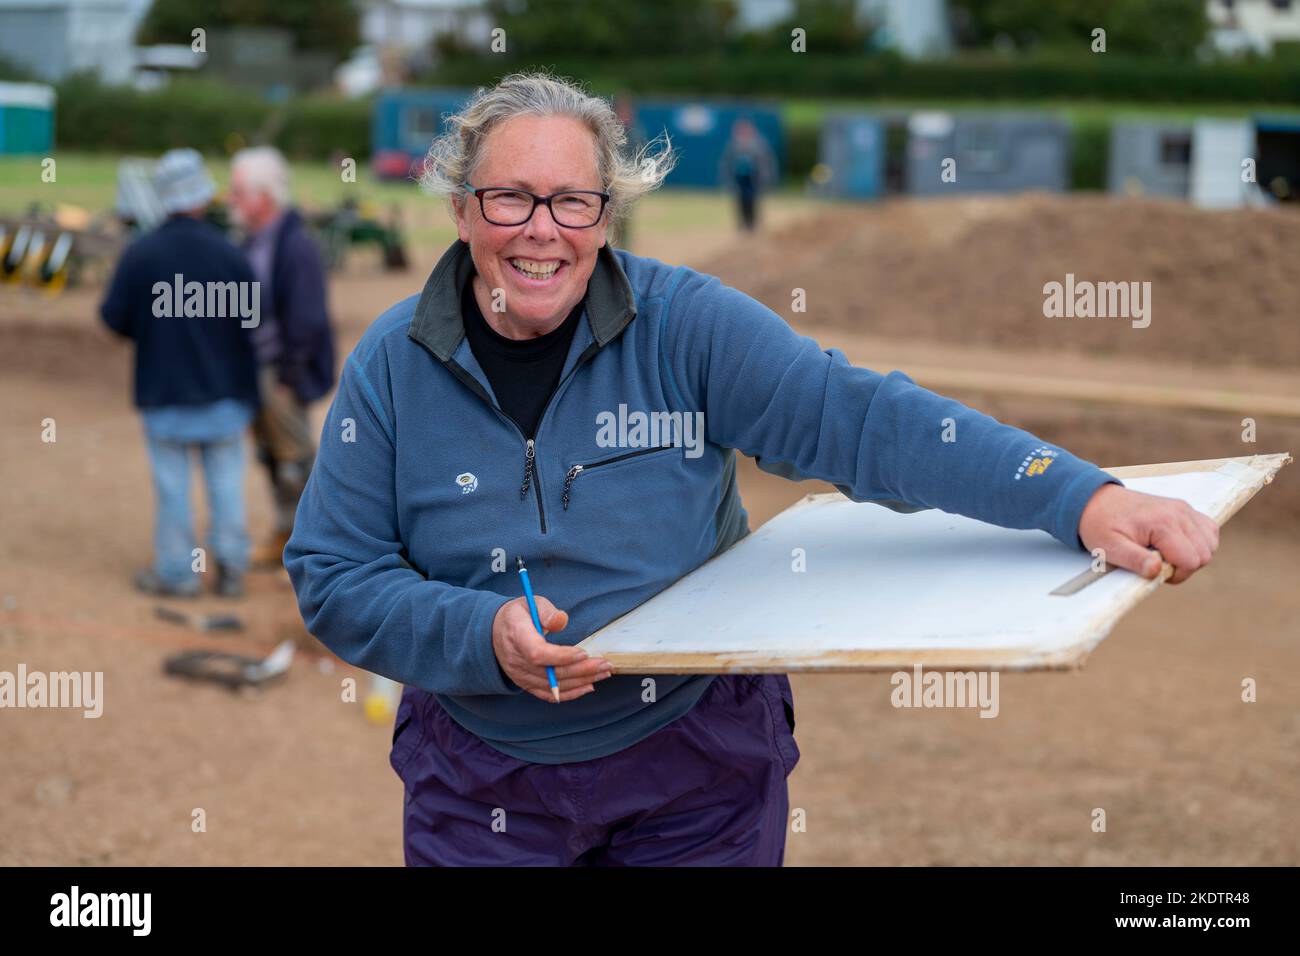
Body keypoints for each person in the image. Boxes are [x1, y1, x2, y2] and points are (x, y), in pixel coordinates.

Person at [284, 73, 1220, 866]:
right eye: (509, 199)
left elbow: (864, 422)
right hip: (480, 781)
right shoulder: (390, 365)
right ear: (459, 207)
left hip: (697, 766)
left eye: (574, 202)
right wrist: (477, 632)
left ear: (607, 215)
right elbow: (334, 573)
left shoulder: (685, 325)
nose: (543, 232)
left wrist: (1080, 495)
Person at [100, 148, 260, 598]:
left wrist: (152, 330)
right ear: (203, 195)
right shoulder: (229, 253)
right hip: (225, 392)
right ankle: (230, 568)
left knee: (172, 487)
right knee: (226, 481)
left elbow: (113, 318)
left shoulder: (141, 254)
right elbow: (254, 320)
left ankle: (178, 573)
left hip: (163, 390)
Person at [228, 146, 336, 569]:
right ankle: (285, 534)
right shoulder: (253, 240)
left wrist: (289, 377)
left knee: (294, 458)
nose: (231, 200)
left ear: (264, 196)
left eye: (238, 192)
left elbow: (307, 319)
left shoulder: (295, 245)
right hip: (257, 370)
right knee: (270, 455)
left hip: (281, 373)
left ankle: (317, 546)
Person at [720, 116, 777, 232]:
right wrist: (728, 178)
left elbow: (766, 162)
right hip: (739, 179)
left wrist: (766, 177)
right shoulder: (733, 145)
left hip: (753, 179)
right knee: (740, 202)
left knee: (753, 201)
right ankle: (743, 225)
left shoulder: (759, 144)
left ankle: (753, 225)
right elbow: (726, 162)